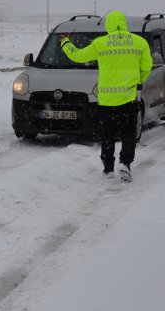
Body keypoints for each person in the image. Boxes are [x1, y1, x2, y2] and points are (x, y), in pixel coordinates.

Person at [59, 11, 152, 182]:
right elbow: (147, 65)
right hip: (128, 99)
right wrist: (138, 80)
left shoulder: (100, 43)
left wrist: (65, 43)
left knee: (107, 135)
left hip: (107, 101)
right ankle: (125, 163)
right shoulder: (140, 42)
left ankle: (108, 167)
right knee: (128, 134)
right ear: (124, 23)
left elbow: (78, 56)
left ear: (108, 24)